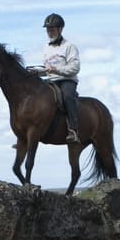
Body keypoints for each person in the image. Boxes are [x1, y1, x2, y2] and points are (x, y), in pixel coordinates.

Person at [40, 13, 81, 143]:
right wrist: (38, 72)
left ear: (60, 29)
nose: (49, 33)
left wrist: (57, 70)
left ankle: (73, 130)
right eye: (48, 30)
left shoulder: (69, 46)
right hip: (51, 80)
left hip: (67, 80)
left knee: (67, 96)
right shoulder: (46, 47)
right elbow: (47, 69)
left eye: (52, 30)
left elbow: (75, 68)